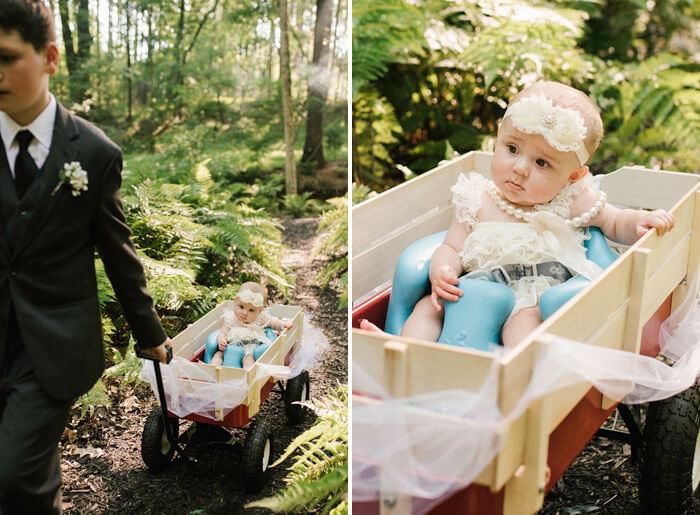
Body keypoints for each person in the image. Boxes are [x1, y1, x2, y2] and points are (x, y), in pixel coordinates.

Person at [0, 1, 170, 513]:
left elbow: (119, 253)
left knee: (14, 476)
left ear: (50, 57)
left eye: (7, 58)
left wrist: (150, 333)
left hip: (51, 345)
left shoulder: (94, 153)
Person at [361, 81, 674, 347]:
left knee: (524, 332)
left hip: (533, 300)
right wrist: (443, 271)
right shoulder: (477, 199)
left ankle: (508, 380)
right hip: (474, 289)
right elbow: (452, 247)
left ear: (574, 176)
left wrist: (637, 222)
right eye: (512, 149)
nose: (520, 168)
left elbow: (614, 221)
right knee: (428, 310)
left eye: (542, 163)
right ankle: (403, 353)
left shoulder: (571, 201)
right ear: (498, 136)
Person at [208, 281, 292, 369]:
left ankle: (247, 378)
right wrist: (222, 340)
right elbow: (223, 333)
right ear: (235, 302)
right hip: (230, 347)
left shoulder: (260, 318)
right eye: (241, 307)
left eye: (251, 310)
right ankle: (212, 372)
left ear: (259, 311)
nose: (244, 313)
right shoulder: (231, 318)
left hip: (249, 350)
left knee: (249, 361)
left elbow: (273, 322)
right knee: (217, 356)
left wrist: (283, 325)